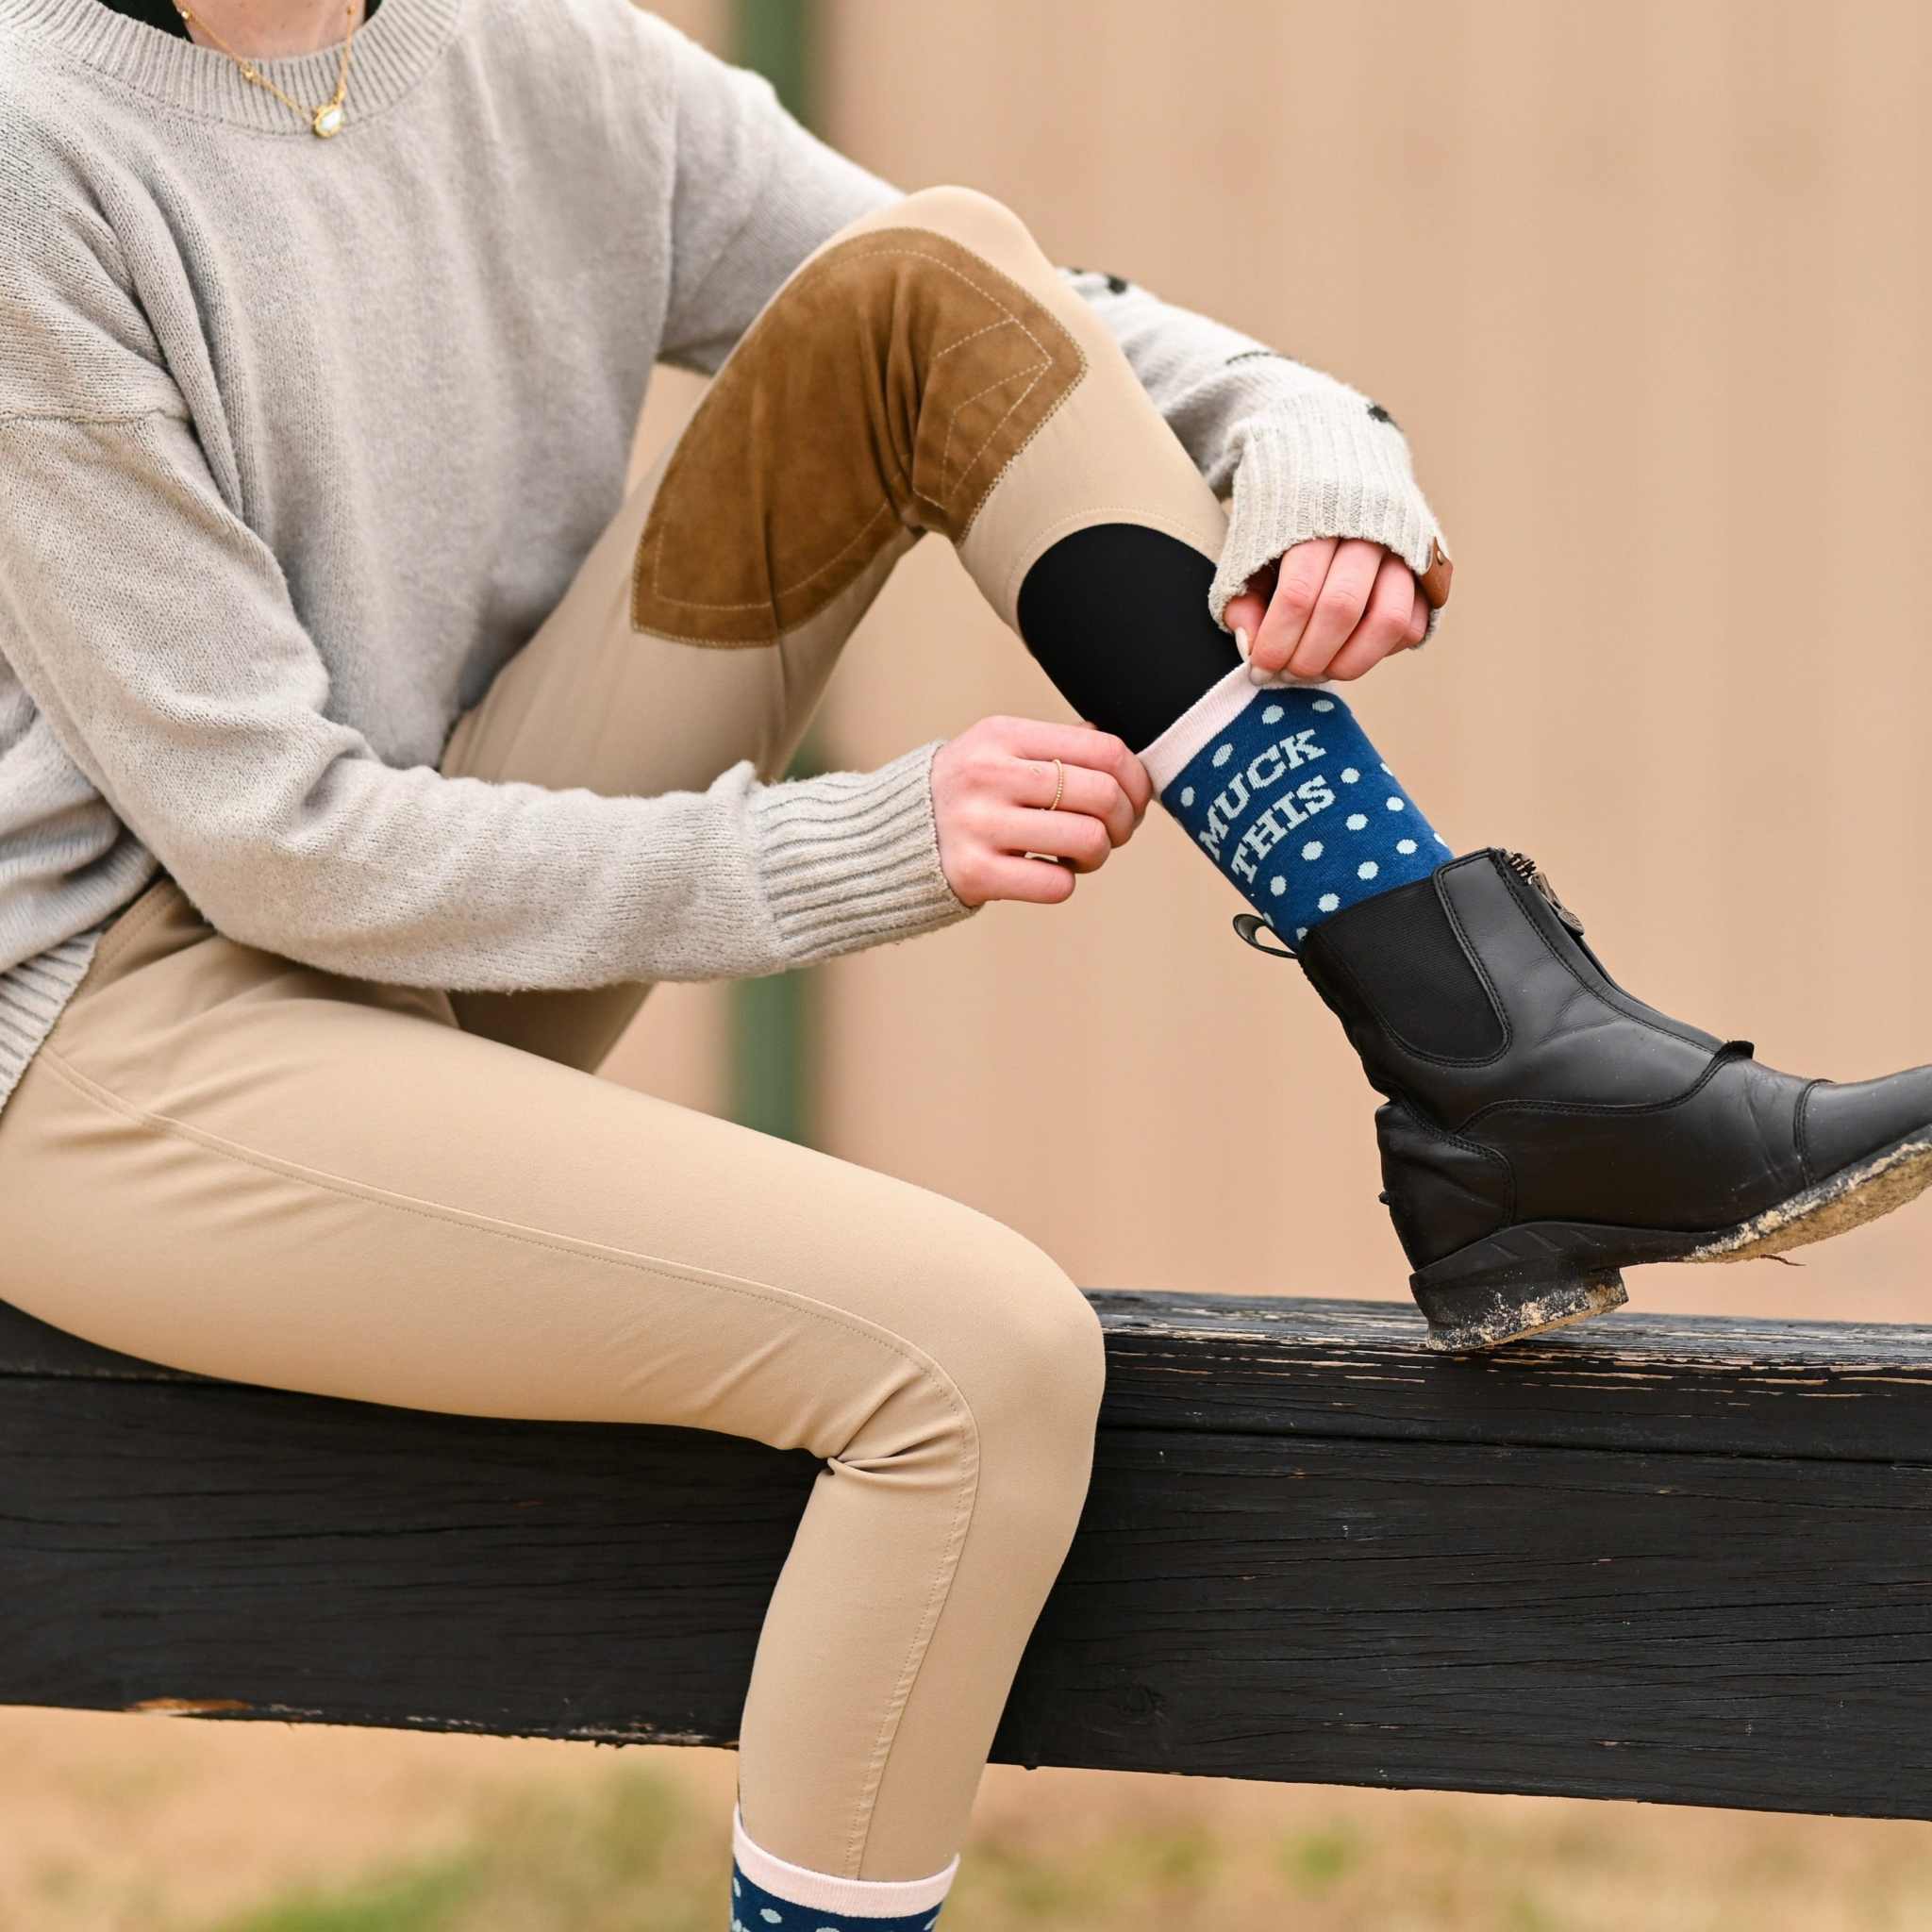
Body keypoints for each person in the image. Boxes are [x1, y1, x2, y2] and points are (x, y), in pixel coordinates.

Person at [1, 0, 1927, 1924]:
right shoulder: (36, 148)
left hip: (439, 896)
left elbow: (1013, 303)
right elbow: (269, 839)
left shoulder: (546, 59)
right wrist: (845, 846)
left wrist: (1307, 435)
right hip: (118, 1039)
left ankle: (1497, 1057)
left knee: (916, 281)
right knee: (975, 1360)